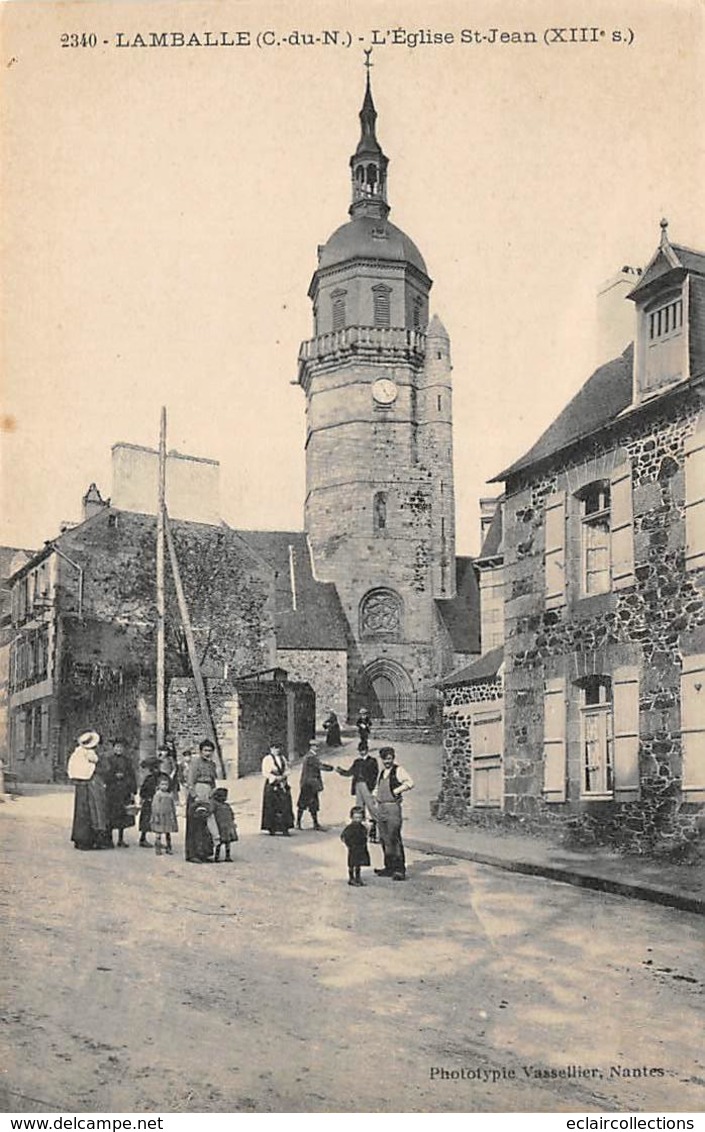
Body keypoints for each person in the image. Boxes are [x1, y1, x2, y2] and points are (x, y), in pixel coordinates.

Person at [374, 746, 414, 881]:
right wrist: (375, 798)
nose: (387, 762)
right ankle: (388, 867)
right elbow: (377, 788)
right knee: (384, 838)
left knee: (394, 837)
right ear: (381, 759)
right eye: (384, 759)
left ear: (393, 758)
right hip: (381, 807)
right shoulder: (382, 773)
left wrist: (396, 791)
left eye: (389, 759)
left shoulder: (398, 770)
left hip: (392, 808)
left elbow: (410, 783)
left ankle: (399, 870)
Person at [68, 729, 110, 850]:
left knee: (81, 812)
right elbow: (96, 767)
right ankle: (87, 841)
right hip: (88, 786)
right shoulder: (89, 753)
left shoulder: (76, 753)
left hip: (80, 785)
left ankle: (80, 840)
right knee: (90, 812)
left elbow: (74, 771)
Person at [336, 744, 380, 840]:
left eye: (363, 750)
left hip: (366, 785)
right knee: (359, 809)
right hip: (358, 785)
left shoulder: (372, 761)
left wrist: (371, 788)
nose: (362, 752)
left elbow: (375, 774)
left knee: (372, 808)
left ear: (367, 750)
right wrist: (340, 771)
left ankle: (376, 831)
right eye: (360, 750)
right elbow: (350, 772)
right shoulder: (357, 761)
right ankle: (360, 832)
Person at [185, 739, 218, 862]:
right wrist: (195, 796)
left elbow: (213, 781)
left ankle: (204, 852)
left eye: (210, 750)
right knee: (194, 825)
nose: (208, 753)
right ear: (200, 751)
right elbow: (190, 781)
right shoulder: (195, 763)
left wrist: (213, 792)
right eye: (205, 750)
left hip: (207, 794)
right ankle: (192, 854)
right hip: (197, 795)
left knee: (206, 825)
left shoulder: (212, 765)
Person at [105, 737, 137, 848]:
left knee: (123, 816)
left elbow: (132, 775)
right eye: (117, 747)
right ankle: (109, 839)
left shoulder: (127, 761)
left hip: (124, 790)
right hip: (112, 791)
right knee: (111, 815)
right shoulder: (108, 760)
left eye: (121, 747)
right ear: (113, 748)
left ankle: (121, 839)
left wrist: (133, 790)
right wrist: (114, 776)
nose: (119, 749)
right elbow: (105, 774)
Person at [296, 740, 334, 831]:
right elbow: (320, 766)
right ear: (311, 747)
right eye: (316, 746)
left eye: (317, 746)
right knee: (304, 803)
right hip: (309, 784)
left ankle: (311, 823)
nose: (317, 748)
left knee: (312, 804)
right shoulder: (310, 757)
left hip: (309, 784)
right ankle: (300, 823)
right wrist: (331, 768)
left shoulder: (312, 756)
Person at [261, 743, 295, 836]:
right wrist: (275, 778)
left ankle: (285, 828)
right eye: (274, 749)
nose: (277, 750)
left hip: (282, 784)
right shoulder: (267, 759)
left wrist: (284, 776)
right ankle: (272, 828)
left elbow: (287, 769)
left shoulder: (283, 758)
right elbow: (265, 772)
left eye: (278, 748)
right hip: (272, 784)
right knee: (272, 806)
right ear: (271, 749)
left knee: (285, 806)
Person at [340, 806, 371, 886]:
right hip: (353, 848)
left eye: (359, 818)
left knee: (358, 864)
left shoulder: (363, 827)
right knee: (352, 864)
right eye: (356, 818)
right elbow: (343, 836)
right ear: (352, 817)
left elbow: (366, 835)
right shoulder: (350, 828)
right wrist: (349, 844)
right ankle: (351, 878)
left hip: (361, 848)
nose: (357, 820)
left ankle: (358, 878)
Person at [150, 773, 178, 855]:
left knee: (168, 832)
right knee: (158, 832)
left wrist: (173, 814)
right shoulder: (158, 795)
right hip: (159, 816)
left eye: (166, 784)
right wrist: (156, 816)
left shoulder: (169, 795)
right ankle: (158, 847)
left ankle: (169, 847)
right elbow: (154, 806)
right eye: (162, 784)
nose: (164, 786)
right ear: (158, 785)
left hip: (168, 816)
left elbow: (172, 806)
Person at [212, 787, 238, 862]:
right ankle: (217, 857)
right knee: (219, 842)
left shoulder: (226, 806)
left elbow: (232, 815)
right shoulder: (216, 805)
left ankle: (227, 856)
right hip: (220, 825)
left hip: (226, 826)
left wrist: (232, 822)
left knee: (227, 842)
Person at [138, 756, 159, 847]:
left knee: (158, 820)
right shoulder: (149, 778)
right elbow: (143, 791)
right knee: (146, 820)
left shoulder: (157, 778)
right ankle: (143, 839)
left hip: (155, 800)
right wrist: (146, 797)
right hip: (149, 801)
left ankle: (157, 839)